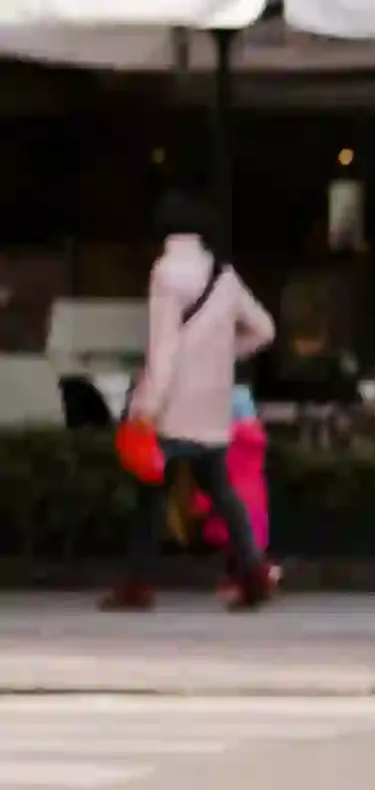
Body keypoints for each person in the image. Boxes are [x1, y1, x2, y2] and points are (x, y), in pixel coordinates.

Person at [103, 194, 277, 613]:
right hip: (213, 407)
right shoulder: (225, 275)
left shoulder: (165, 273)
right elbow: (265, 330)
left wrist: (146, 407)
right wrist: (222, 357)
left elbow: (162, 351)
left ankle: (138, 585)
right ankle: (252, 574)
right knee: (221, 490)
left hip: (170, 407)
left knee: (151, 495)